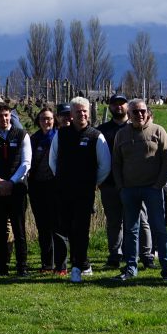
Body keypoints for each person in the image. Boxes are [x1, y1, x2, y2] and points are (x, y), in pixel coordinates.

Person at [110, 98, 167, 283]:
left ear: (147, 112)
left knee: (159, 228)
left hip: (153, 189)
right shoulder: (121, 135)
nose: (140, 114)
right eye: (135, 112)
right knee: (131, 230)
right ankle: (130, 268)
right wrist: (121, 186)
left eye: (143, 111)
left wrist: (159, 184)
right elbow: (116, 162)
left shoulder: (158, 131)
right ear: (128, 115)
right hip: (129, 189)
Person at [49, 97, 111, 283]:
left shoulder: (96, 136)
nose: (82, 114)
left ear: (89, 112)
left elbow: (105, 165)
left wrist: (92, 182)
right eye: (78, 111)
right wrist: (62, 179)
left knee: (81, 229)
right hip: (63, 190)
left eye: (85, 111)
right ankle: (80, 263)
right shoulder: (61, 134)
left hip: (84, 192)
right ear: (72, 114)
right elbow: (52, 161)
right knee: (66, 228)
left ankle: (79, 265)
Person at [98, 94, 153, 269]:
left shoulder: (138, 127)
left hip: (135, 183)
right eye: (114, 104)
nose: (118, 107)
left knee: (141, 219)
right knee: (114, 221)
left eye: (122, 104)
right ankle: (115, 254)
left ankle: (146, 255)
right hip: (110, 183)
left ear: (127, 107)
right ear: (109, 108)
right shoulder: (102, 131)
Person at [0, 101, 31, 276]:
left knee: (19, 229)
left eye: (7, 115)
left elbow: (26, 162)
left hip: (17, 190)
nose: (4, 118)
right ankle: (2, 267)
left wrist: (11, 182)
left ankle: (22, 266)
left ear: (11, 115)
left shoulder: (22, 134)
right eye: (0, 115)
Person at [27, 107, 64, 274]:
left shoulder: (61, 137)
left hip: (55, 187)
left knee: (58, 226)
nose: (46, 121)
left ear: (54, 120)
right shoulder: (33, 139)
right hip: (37, 187)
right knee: (42, 227)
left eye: (49, 118)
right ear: (38, 121)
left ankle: (61, 264)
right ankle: (46, 263)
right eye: (43, 119)